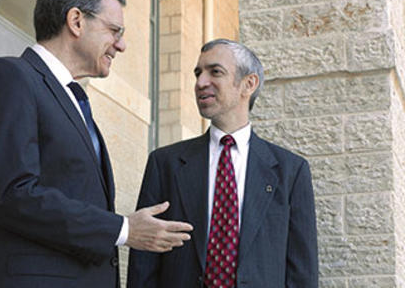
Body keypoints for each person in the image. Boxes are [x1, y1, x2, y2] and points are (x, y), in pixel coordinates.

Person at [0, 0, 193, 288]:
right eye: (114, 30)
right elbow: (11, 193)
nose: (121, 45)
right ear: (76, 21)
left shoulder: (75, 103)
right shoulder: (9, 77)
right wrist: (123, 229)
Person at [127, 39, 318, 288]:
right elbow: (144, 263)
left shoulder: (290, 171)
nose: (200, 82)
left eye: (215, 72)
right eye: (198, 73)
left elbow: (302, 272)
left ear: (248, 84)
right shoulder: (165, 164)